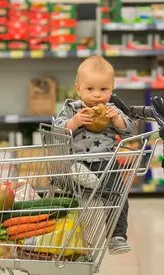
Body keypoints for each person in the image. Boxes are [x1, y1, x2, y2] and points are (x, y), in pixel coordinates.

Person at [54, 55, 135, 255]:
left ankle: (117, 236)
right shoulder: (72, 108)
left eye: (103, 89)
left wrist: (117, 120)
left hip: (106, 162)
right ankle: (67, 235)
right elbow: (56, 130)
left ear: (112, 89)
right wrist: (74, 122)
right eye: (90, 89)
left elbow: (130, 131)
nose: (97, 95)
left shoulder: (112, 110)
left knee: (118, 194)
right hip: (77, 161)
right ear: (78, 88)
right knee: (66, 194)